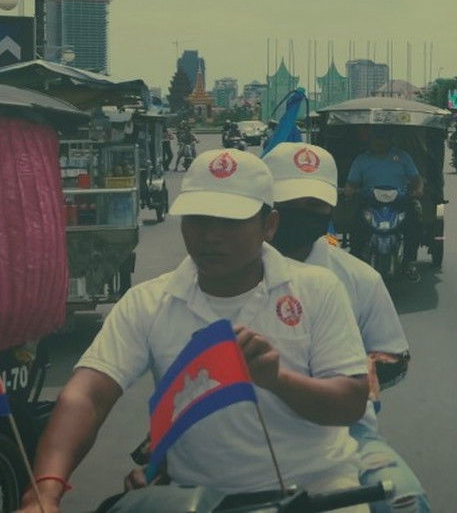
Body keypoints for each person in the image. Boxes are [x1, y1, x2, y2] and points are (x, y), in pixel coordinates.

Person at [20, 149, 369, 513]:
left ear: (269, 225)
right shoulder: (149, 301)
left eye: (229, 221)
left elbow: (350, 402)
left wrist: (278, 379)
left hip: (318, 494)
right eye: (198, 219)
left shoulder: (317, 289)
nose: (210, 235)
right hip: (195, 500)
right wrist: (44, 492)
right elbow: (88, 395)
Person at [262, 142, 430, 513]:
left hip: (347, 433)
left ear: (331, 208)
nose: (301, 215)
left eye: (314, 206)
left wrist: (354, 374)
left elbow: (394, 355)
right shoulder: (234, 275)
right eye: (289, 205)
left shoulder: (360, 278)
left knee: (405, 501)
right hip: (248, 429)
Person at [345, 126, 424, 283]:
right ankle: (355, 260)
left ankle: (410, 262)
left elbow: (416, 179)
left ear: (390, 140)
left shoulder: (402, 157)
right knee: (357, 226)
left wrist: (418, 190)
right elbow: (351, 183)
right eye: (376, 138)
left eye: (383, 138)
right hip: (370, 201)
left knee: (414, 223)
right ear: (370, 140)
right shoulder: (362, 160)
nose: (379, 142)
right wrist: (349, 190)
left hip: (400, 201)